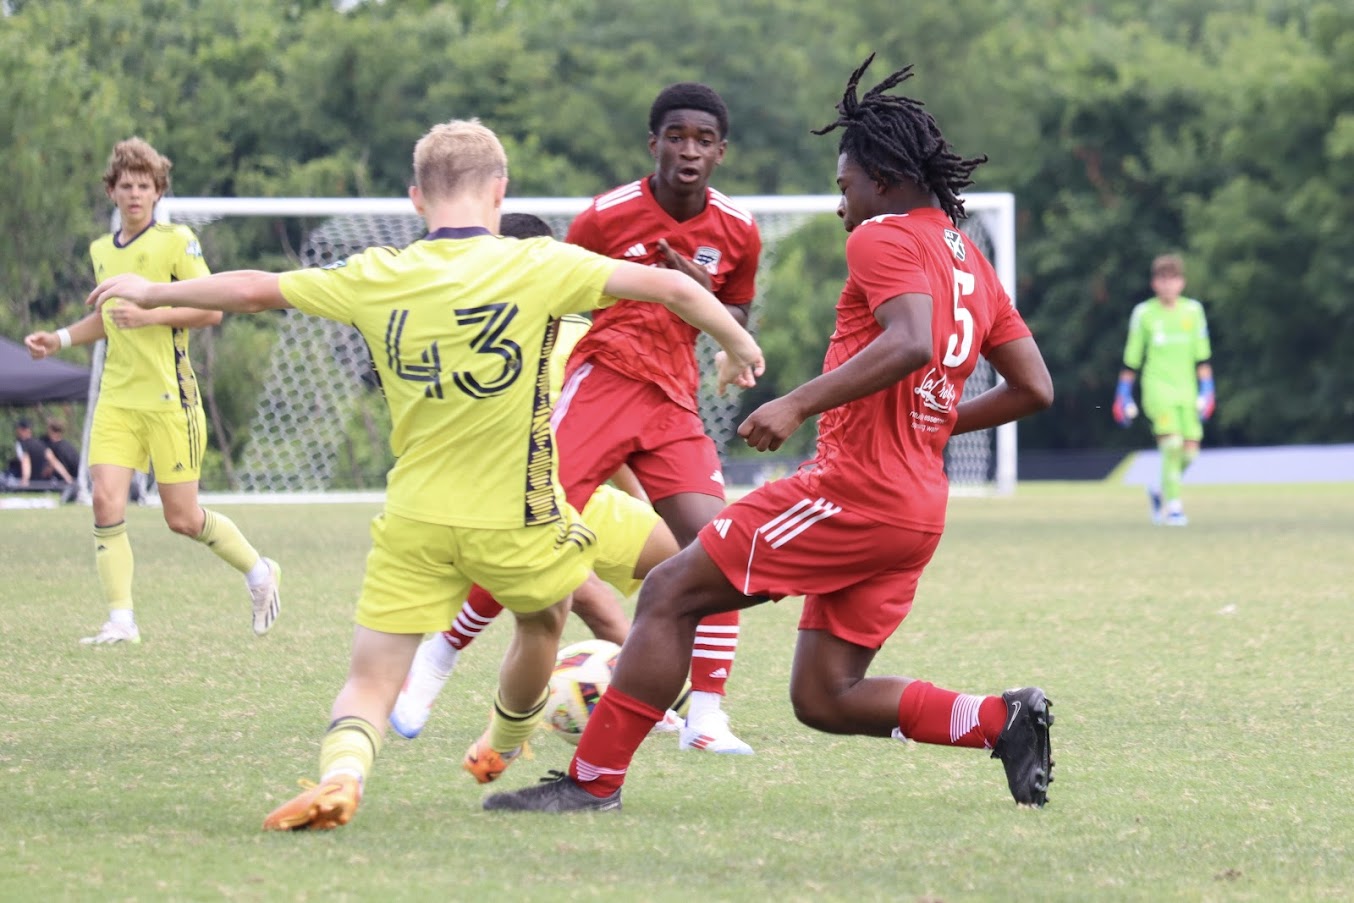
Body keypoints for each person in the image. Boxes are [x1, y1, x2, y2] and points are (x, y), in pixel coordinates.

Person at [86, 119, 764, 831]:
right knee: (545, 620)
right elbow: (671, 288)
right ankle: (500, 746)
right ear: (500, 192)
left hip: (413, 518)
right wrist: (738, 345)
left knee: (370, 677)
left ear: (416, 198)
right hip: (517, 516)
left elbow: (256, 290)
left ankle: (343, 773)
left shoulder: (376, 273)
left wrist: (152, 294)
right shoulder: (537, 264)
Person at [482, 55, 1057, 815]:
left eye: (844, 185)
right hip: (916, 506)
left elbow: (913, 340)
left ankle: (590, 784)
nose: (841, 203)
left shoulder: (881, 237)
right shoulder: (967, 257)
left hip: (853, 492)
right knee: (824, 694)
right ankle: (999, 718)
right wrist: (937, 422)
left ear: (881, 178)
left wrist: (796, 405)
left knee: (667, 590)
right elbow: (1034, 388)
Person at [454, 82, 766, 756]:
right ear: (653, 144)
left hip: (672, 402)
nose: (689, 149)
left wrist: (708, 309)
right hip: (604, 387)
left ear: (721, 152)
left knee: (719, 550)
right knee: (532, 526)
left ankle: (706, 716)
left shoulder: (739, 229)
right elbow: (562, 296)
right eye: (676, 136)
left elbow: (733, 315)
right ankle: (439, 656)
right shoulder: (603, 217)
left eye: (703, 140)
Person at [389, 213, 689, 745]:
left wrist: (641, 500)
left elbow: (602, 430)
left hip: (580, 495)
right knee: (577, 601)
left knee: (686, 567)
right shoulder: (476, 334)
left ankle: (658, 697)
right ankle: (443, 680)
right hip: (499, 502)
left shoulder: (584, 335)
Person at [24, 137, 281, 645]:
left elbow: (211, 309)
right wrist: (61, 338)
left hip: (171, 400)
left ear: (158, 190)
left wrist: (149, 314)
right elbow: (106, 320)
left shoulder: (176, 241)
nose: (135, 194)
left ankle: (259, 571)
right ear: (112, 192)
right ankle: (121, 621)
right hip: (119, 400)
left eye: (145, 185)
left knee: (181, 518)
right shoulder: (102, 250)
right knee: (103, 502)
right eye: (126, 185)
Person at [1112, 254, 1214, 526]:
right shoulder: (1144, 313)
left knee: (1190, 452)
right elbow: (1131, 359)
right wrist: (1122, 394)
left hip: (1187, 391)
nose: (1168, 285)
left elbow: (1202, 358)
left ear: (1182, 282)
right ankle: (1174, 507)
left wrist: (1208, 389)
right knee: (1172, 446)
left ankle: (1160, 490)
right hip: (1157, 389)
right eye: (1162, 280)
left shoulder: (1193, 312)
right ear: (1154, 283)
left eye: (1173, 280)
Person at [6, 419, 51, 486]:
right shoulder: (40, 444)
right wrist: (68, 479)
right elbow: (53, 460)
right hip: (40, 480)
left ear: (22, 430)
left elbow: (25, 461)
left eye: (18, 429)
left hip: (24, 480)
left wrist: (25, 480)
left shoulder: (21, 444)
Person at [42, 419, 81, 484]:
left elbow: (54, 463)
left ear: (50, 430)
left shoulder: (57, 448)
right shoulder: (68, 446)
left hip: (70, 479)